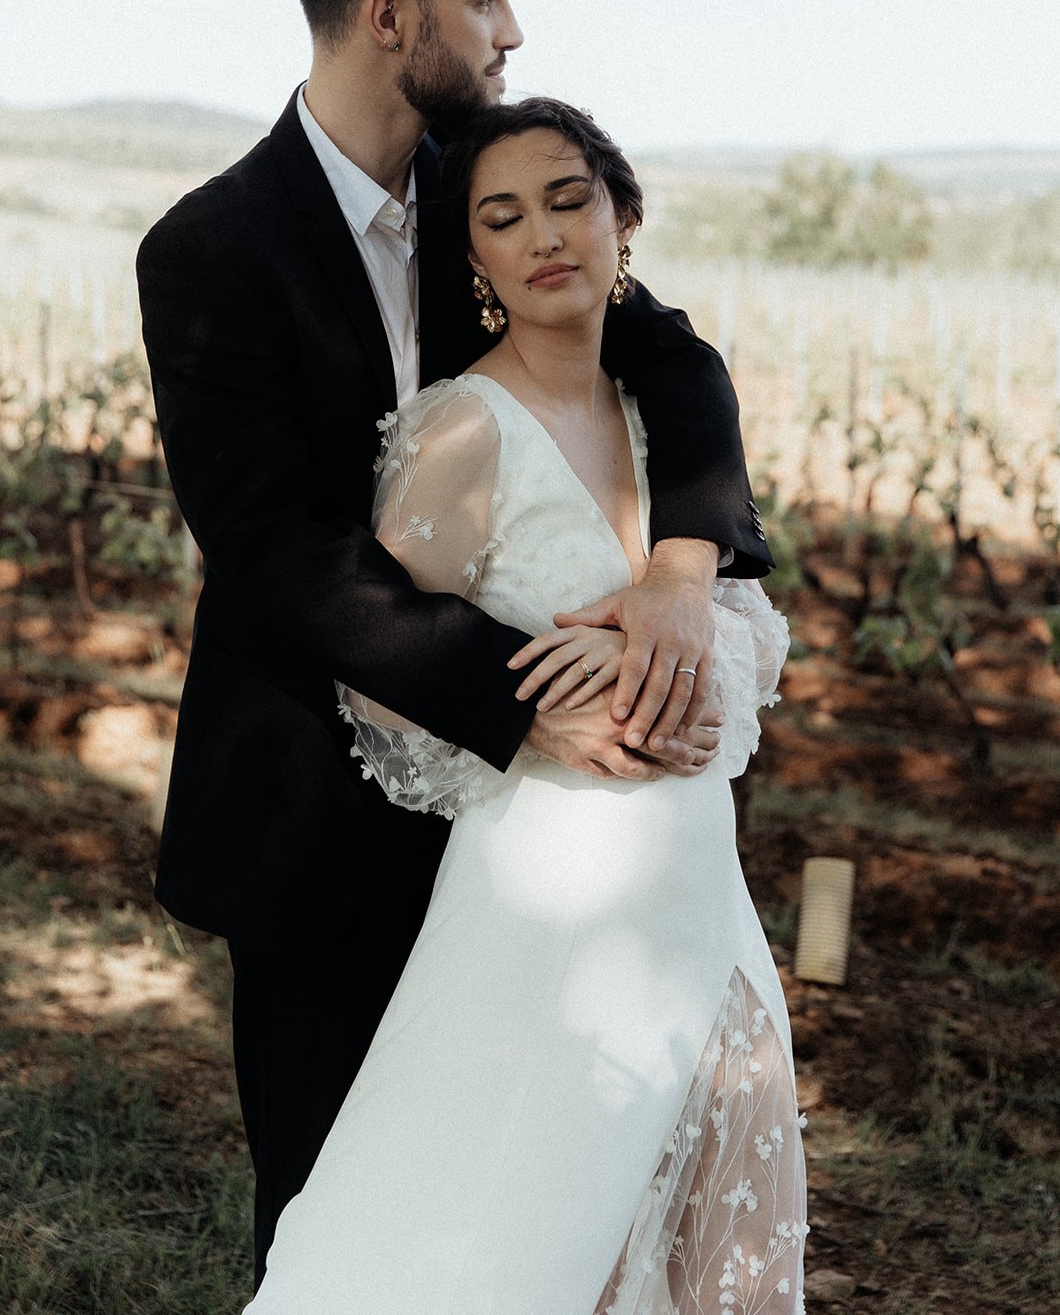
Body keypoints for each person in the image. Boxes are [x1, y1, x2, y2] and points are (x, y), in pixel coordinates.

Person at [135, 0, 772, 1286]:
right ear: (389, 18)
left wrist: (680, 563)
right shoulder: (208, 251)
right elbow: (267, 547)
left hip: (537, 840)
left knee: (543, 1203)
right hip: (323, 822)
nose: (510, 32)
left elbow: (671, 359)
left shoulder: (496, 197)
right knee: (343, 1214)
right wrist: (522, 695)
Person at [244, 98, 807, 1315]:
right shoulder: (460, 427)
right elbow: (377, 678)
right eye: (502, 216)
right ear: (477, 263)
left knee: (725, 1243)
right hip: (544, 903)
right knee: (533, 1239)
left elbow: (746, 633)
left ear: (623, 218)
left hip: (698, 895)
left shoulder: (669, 416)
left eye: (568, 199)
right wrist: (548, 710)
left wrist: (699, 666)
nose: (544, 233)